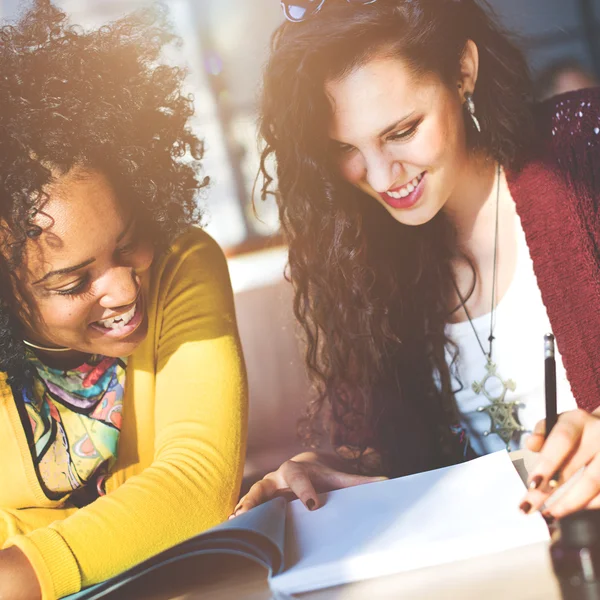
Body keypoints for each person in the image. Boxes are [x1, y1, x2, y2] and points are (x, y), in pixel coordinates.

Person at [233, 0, 600, 523]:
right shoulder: (359, 257)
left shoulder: (583, 153)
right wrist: (336, 470)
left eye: (401, 131)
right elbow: (402, 461)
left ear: (463, 72)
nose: (381, 179)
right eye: (346, 147)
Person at [0, 2, 247, 599]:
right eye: (71, 283)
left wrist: (25, 566)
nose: (124, 288)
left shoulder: (182, 266)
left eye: (129, 240)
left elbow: (195, 485)